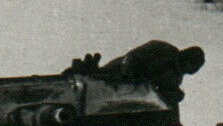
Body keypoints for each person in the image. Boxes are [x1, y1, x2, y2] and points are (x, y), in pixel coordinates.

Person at [65, 40, 206, 107]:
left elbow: (162, 91)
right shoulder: (163, 49)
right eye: (191, 66)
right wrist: (129, 71)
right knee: (94, 86)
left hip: (133, 93)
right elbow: (132, 56)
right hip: (119, 73)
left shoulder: (176, 77)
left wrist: (174, 94)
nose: (189, 71)